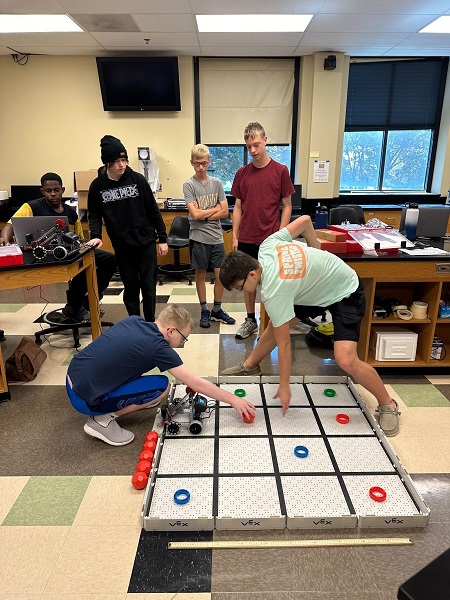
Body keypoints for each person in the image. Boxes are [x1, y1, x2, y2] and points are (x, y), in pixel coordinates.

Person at [219, 215, 401, 437]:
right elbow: (305, 220)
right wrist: (317, 251)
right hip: (311, 289)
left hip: (345, 291)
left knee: (345, 359)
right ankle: (249, 366)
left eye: (240, 287)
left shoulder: (276, 291)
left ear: (251, 273)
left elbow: (284, 346)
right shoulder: (267, 246)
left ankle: (388, 403)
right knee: (274, 327)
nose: (242, 292)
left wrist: (284, 385)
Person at [66, 304, 255, 446]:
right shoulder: (158, 347)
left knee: (136, 370)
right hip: (83, 399)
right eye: (183, 338)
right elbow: (195, 383)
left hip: (72, 376)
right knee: (161, 386)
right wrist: (232, 399)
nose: (182, 344)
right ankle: (101, 420)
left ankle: (115, 403)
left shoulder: (135, 320)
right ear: (171, 330)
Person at [0, 172, 116, 322]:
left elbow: (79, 238)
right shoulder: (31, 207)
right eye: (48, 191)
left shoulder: (70, 213)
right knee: (79, 268)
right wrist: (4, 237)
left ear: (62, 189)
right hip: (42, 255)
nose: (53, 194)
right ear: (42, 191)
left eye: (56, 190)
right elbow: (10, 225)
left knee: (109, 260)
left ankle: (89, 299)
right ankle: (75, 306)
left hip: (70, 252)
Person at [88, 135, 168, 322]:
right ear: (107, 163)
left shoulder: (138, 180)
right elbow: (94, 215)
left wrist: (162, 238)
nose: (121, 165)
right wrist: (96, 235)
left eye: (124, 160)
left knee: (148, 286)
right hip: (122, 246)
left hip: (145, 242)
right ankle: (134, 322)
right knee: (131, 287)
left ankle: (149, 322)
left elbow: (153, 210)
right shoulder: (97, 186)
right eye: (116, 161)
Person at [231, 121, 294, 339]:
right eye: (249, 147)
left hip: (271, 239)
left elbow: (287, 205)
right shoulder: (242, 173)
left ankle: (271, 322)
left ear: (265, 140)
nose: (253, 150)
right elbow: (237, 207)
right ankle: (251, 320)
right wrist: (235, 237)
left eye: (257, 145)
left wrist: (282, 235)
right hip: (247, 236)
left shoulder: (280, 171)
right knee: (248, 281)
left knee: (272, 283)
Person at [183, 143, 236, 328]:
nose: (201, 167)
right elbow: (194, 215)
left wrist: (204, 214)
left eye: (204, 163)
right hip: (198, 237)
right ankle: (204, 310)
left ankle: (217, 310)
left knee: (221, 275)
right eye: (197, 163)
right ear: (192, 163)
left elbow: (225, 213)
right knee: (200, 274)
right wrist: (213, 211)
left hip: (216, 237)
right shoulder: (189, 185)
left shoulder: (217, 183)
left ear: (209, 162)